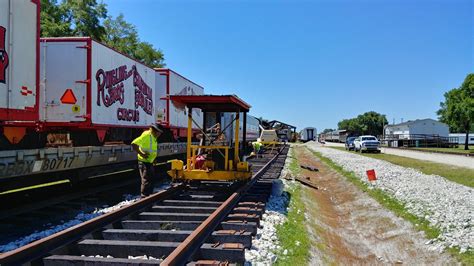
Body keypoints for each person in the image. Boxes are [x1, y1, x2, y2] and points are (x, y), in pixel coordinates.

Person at [131, 124, 162, 197]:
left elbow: (152, 149)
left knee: (151, 178)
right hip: (144, 161)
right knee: (146, 179)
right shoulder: (147, 135)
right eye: (159, 132)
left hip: (149, 161)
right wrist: (142, 154)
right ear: (155, 131)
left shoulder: (153, 137)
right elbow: (134, 144)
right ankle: (144, 196)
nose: (160, 134)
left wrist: (154, 159)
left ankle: (149, 195)